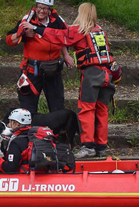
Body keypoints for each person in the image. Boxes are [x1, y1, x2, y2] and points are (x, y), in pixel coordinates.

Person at [23, 2, 116, 158]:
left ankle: (88, 146)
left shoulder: (80, 30)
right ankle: (101, 146)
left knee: (86, 110)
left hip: (92, 75)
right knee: (102, 111)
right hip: (107, 75)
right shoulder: (100, 30)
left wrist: (36, 28)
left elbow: (59, 37)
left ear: (82, 14)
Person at [6, 0, 75, 114]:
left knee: (57, 107)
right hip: (32, 71)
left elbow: (62, 37)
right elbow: (10, 39)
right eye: (39, 7)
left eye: (45, 8)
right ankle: (28, 131)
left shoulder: (56, 21)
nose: (41, 11)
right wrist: (24, 34)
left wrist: (66, 55)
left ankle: (56, 131)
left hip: (53, 69)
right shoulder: (28, 20)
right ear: (36, 7)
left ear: (49, 10)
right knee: (28, 108)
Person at [0, 108, 32, 173]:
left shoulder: (15, 143)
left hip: (23, 177)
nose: (8, 125)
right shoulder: (32, 135)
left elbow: (10, 170)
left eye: (10, 122)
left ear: (16, 124)